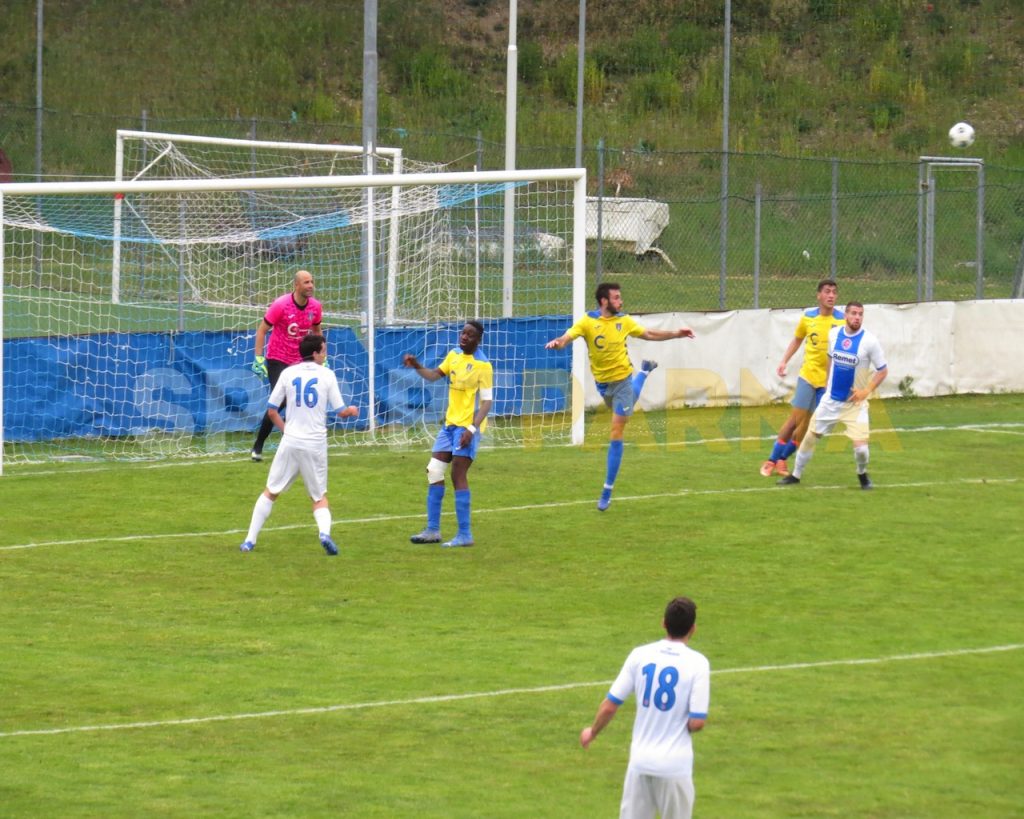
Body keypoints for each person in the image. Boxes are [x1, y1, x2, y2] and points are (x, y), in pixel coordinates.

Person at [546, 282, 695, 511]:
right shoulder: (587, 321)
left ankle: (607, 489)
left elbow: (649, 334)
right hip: (603, 385)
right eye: (616, 298)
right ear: (604, 301)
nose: (621, 301)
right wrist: (558, 343)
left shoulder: (623, 321)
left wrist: (677, 333)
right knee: (625, 404)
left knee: (616, 430)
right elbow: (567, 337)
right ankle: (645, 372)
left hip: (623, 380)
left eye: (620, 297)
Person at [580, 596, 710, 819]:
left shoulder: (640, 655)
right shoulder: (698, 663)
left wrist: (592, 732)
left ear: (663, 623)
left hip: (640, 763)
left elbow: (610, 706)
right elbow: (697, 722)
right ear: (693, 628)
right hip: (674, 767)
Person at [240, 334, 358, 555]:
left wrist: (287, 431)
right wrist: (351, 411)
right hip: (314, 443)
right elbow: (341, 411)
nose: (325, 354)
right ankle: (324, 533)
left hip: (291, 441)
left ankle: (249, 540)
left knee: (270, 491)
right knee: (318, 496)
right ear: (315, 353)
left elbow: (272, 411)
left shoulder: (288, 373)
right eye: (323, 350)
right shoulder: (327, 375)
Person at [778, 301, 888, 490]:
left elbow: (883, 370)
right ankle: (795, 475)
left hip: (855, 405)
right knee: (810, 438)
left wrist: (866, 391)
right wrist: (828, 385)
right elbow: (830, 358)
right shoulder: (834, 334)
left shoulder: (869, 341)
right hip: (831, 401)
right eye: (853, 313)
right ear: (845, 315)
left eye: (860, 314)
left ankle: (862, 474)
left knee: (861, 450)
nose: (857, 317)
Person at [403, 321, 493, 548]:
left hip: (466, 428)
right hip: (449, 425)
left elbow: (486, 402)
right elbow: (434, 375)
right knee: (434, 471)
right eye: (463, 333)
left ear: (477, 339)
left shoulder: (483, 365)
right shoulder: (453, 355)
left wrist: (472, 429)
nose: (464, 337)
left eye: (470, 335)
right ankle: (433, 530)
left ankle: (465, 534)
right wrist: (416, 365)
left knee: (457, 475)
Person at [759, 278, 844, 478]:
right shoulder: (808, 318)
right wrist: (784, 361)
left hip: (828, 383)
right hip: (808, 376)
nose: (831, 295)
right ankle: (771, 460)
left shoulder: (841, 321)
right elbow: (797, 339)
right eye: (827, 291)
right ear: (819, 295)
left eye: (834, 292)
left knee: (810, 428)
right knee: (795, 420)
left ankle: (783, 459)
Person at [250, 269, 323, 462]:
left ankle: (291, 444)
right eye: (306, 282)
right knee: (280, 401)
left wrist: (323, 355)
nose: (310, 286)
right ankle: (259, 445)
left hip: (300, 360)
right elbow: (262, 330)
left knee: (297, 402)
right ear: (296, 285)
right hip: (277, 359)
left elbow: (317, 330)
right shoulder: (281, 305)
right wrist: (258, 358)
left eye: (312, 282)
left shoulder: (315, 307)